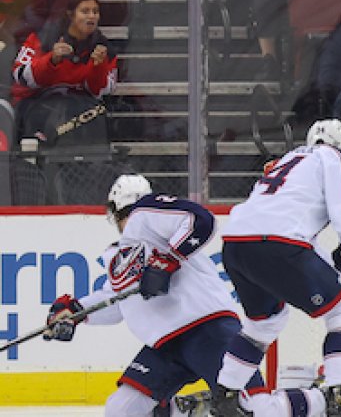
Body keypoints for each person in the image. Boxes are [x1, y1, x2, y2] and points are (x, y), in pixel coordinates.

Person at [43, 174, 272, 416]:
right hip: (166, 345)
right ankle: (186, 410)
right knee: (121, 409)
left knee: (252, 408)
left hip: (207, 329)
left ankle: (314, 400)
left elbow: (202, 220)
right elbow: (117, 300)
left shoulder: (150, 218)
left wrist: (166, 261)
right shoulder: (122, 255)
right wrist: (74, 312)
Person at [211, 120, 341, 416]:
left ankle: (225, 394)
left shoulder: (286, 162)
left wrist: (339, 270)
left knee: (263, 324)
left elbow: (297, 237)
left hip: (236, 244)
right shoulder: (338, 158)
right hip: (279, 243)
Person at [11, 0, 117, 146]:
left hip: (78, 112)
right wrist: (51, 60)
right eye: (85, 11)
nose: (92, 16)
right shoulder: (43, 37)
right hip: (35, 106)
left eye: (95, 12)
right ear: (70, 14)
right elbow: (20, 76)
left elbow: (101, 92)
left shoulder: (104, 48)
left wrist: (97, 67)